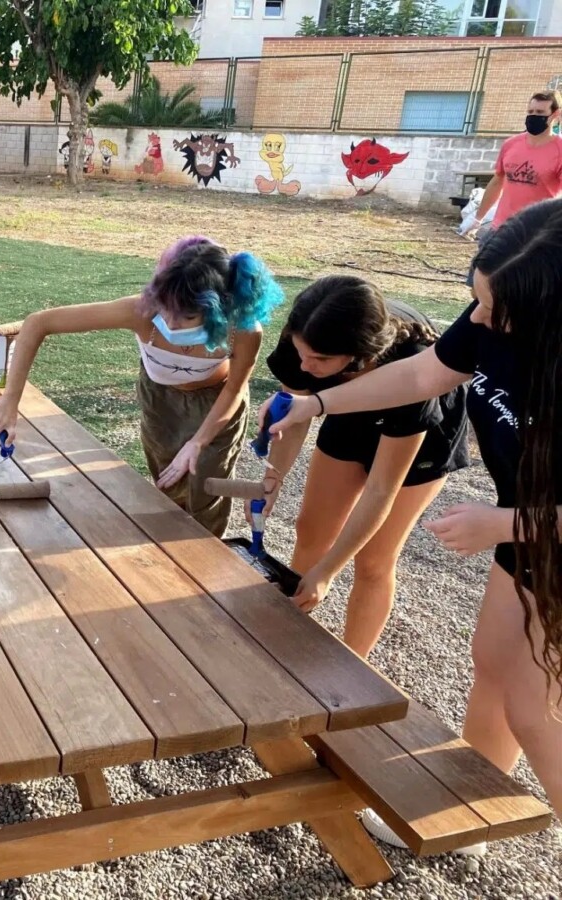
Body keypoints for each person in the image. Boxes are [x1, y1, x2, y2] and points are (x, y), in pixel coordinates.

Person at [266, 198, 562, 844]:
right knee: (490, 659)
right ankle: (469, 805)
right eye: (475, 299)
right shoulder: (494, 317)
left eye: (494, 309)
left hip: (537, 530)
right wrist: (317, 402)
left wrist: (501, 523)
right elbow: (424, 372)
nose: (478, 318)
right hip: (526, 532)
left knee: (533, 712)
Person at [0, 235, 284, 536]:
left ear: (220, 307)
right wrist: (11, 400)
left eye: (188, 315)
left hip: (217, 402)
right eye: (166, 307)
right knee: (169, 482)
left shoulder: (243, 330)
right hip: (161, 401)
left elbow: (234, 388)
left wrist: (198, 441)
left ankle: (207, 552)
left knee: (207, 486)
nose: (171, 321)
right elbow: (38, 322)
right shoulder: (141, 312)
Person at [260, 276, 469, 657]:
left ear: (358, 355)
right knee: (311, 531)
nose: (305, 365)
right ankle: (287, 649)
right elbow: (295, 417)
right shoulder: (307, 338)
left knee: (373, 558)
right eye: (301, 351)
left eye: (320, 359)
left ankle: (357, 670)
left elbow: (380, 489)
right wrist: (273, 476)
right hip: (346, 406)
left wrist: (327, 572)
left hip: (421, 433)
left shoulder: (413, 368)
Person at [466, 89, 562, 283]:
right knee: (477, 284)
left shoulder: (559, 150)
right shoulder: (511, 144)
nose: (533, 117)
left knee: (520, 290)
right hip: (500, 227)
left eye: (540, 113)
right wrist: (477, 219)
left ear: (555, 115)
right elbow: (497, 181)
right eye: (531, 112)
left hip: (535, 234)